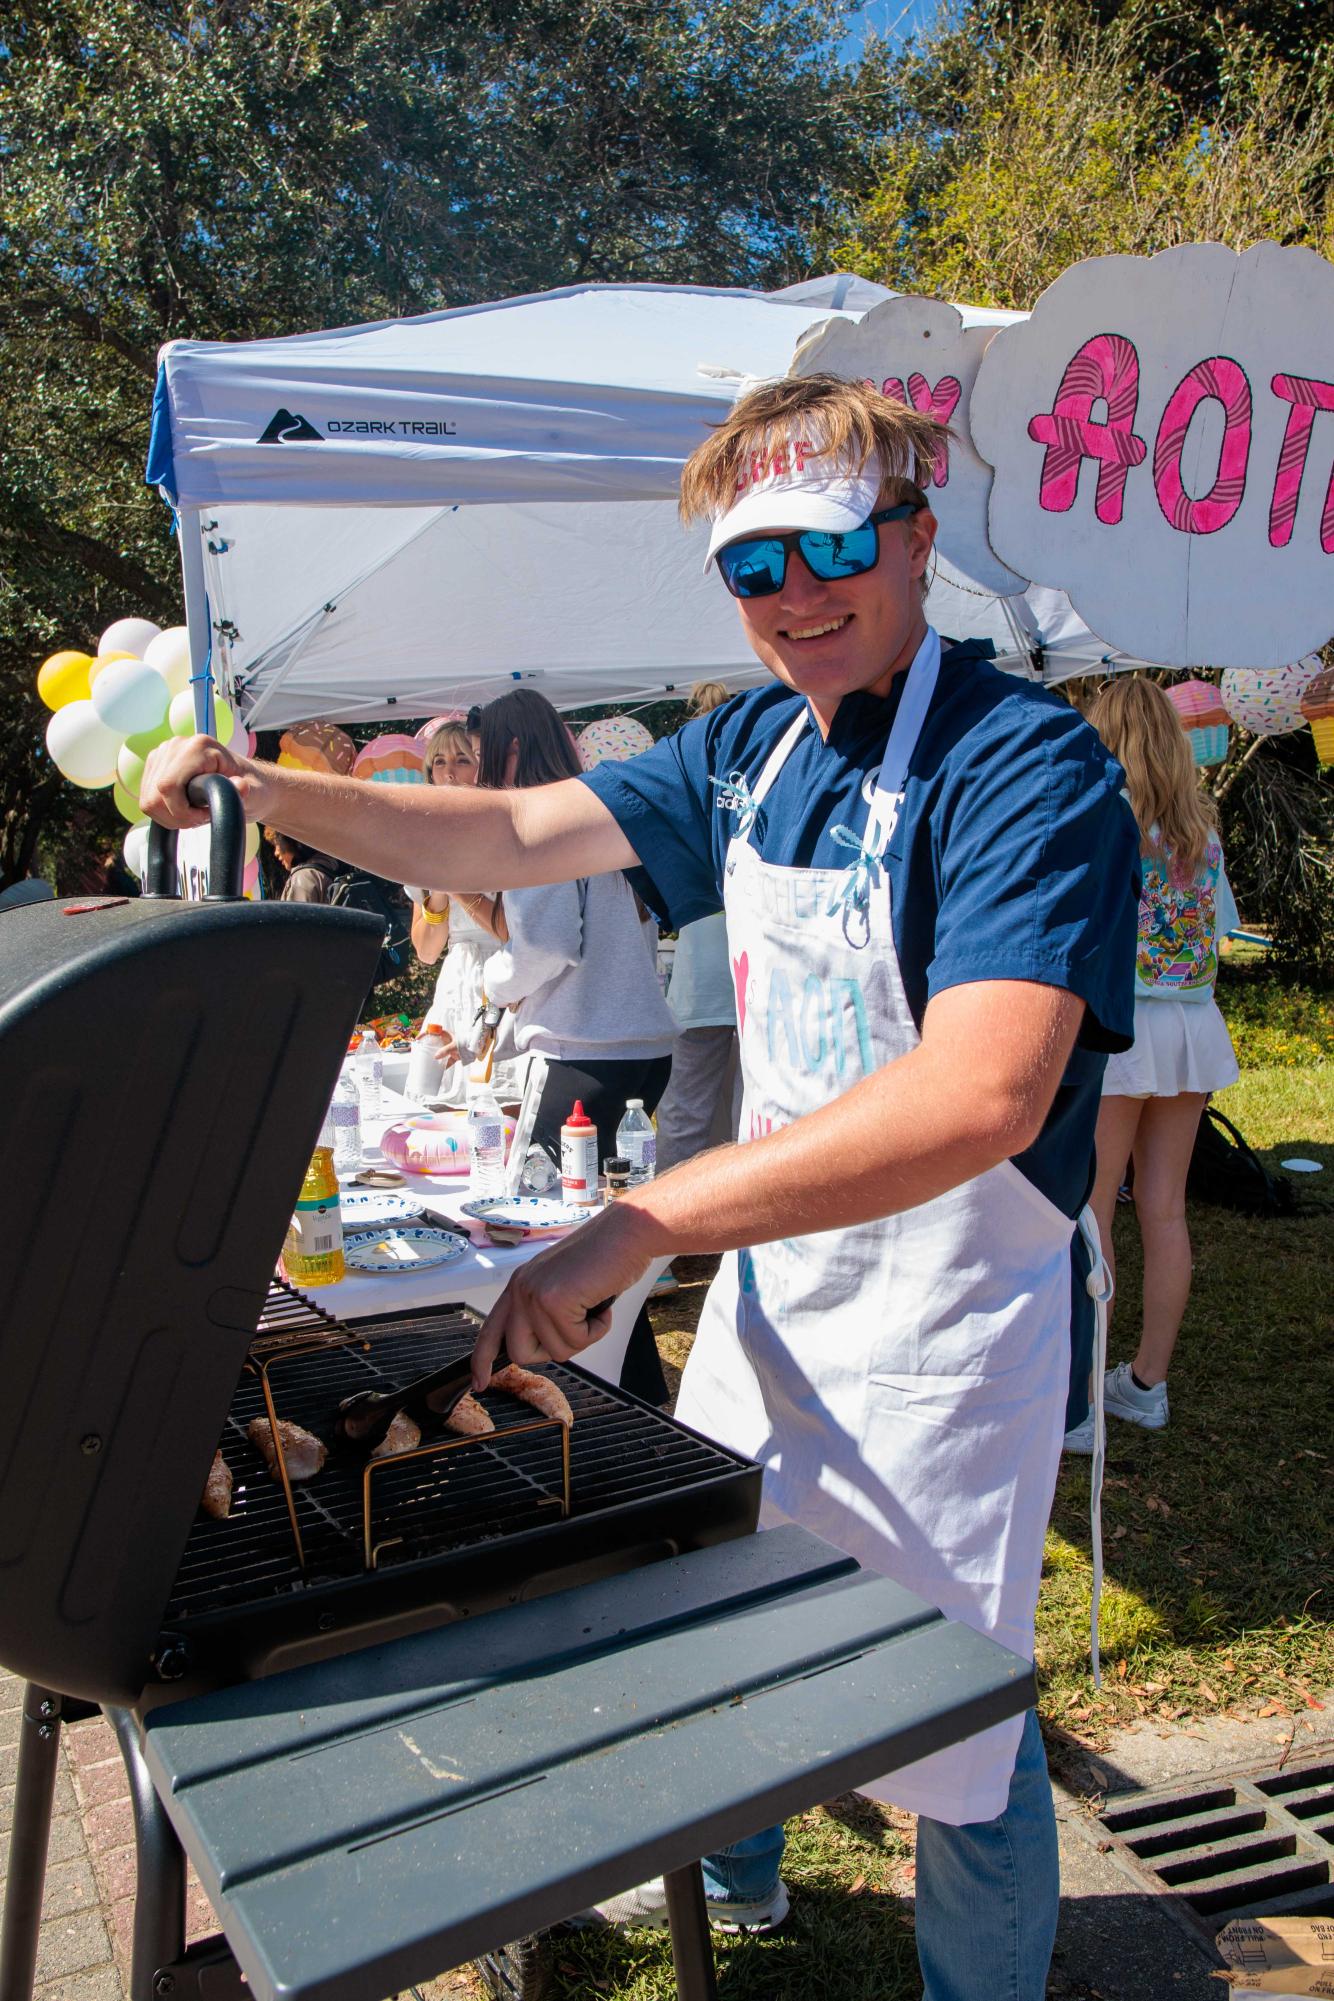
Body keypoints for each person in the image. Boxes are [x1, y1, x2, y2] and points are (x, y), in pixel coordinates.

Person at [142, 373, 1139, 2001]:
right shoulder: (745, 742)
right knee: (725, 1594)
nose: (795, 601)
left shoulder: (1023, 768)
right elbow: (514, 829)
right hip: (785, 1278)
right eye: (753, 570)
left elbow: (981, 1093)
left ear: (911, 532)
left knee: (955, 1708)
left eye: (827, 552)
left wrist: (653, 1214)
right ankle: (738, 1871)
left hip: (949, 1314)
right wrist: (268, 788)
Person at [472, 688, 678, 1402]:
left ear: (515, 751)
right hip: (640, 1049)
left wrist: (491, 979)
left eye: (484, 757)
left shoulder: (544, 819)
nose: (480, 777)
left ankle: (583, 1403)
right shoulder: (604, 808)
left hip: (579, 1053)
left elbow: (547, 944)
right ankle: (639, 1394)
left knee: (547, 1240)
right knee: (605, 1240)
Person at [1064, 676, 1239, 1452]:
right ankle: (1145, 1383)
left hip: (1121, 1028)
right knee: (1164, 1208)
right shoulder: (1203, 834)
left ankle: (1081, 1392)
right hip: (1193, 1026)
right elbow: (1222, 932)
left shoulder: (1100, 824)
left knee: (1092, 1206)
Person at [651, 683, 743, 1295]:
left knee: (689, 1111)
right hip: (737, 970)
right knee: (741, 1112)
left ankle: (669, 1239)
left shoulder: (686, 787)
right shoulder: (758, 775)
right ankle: (727, 1239)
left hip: (713, 968)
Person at [405, 719, 515, 1094]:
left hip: (505, 975)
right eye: (439, 762)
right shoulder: (420, 843)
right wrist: (437, 893)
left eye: (461, 760)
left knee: (499, 1105)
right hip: (455, 980)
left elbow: (513, 929)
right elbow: (426, 951)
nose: (449, 772)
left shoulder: (504, 831)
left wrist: (455, 882)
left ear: (481, 767)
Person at [267, 830, 339, 902]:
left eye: (277, 844)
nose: (276, 853)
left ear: (290, 841)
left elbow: (297, 913)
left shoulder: (303, 877)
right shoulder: (330, 867)